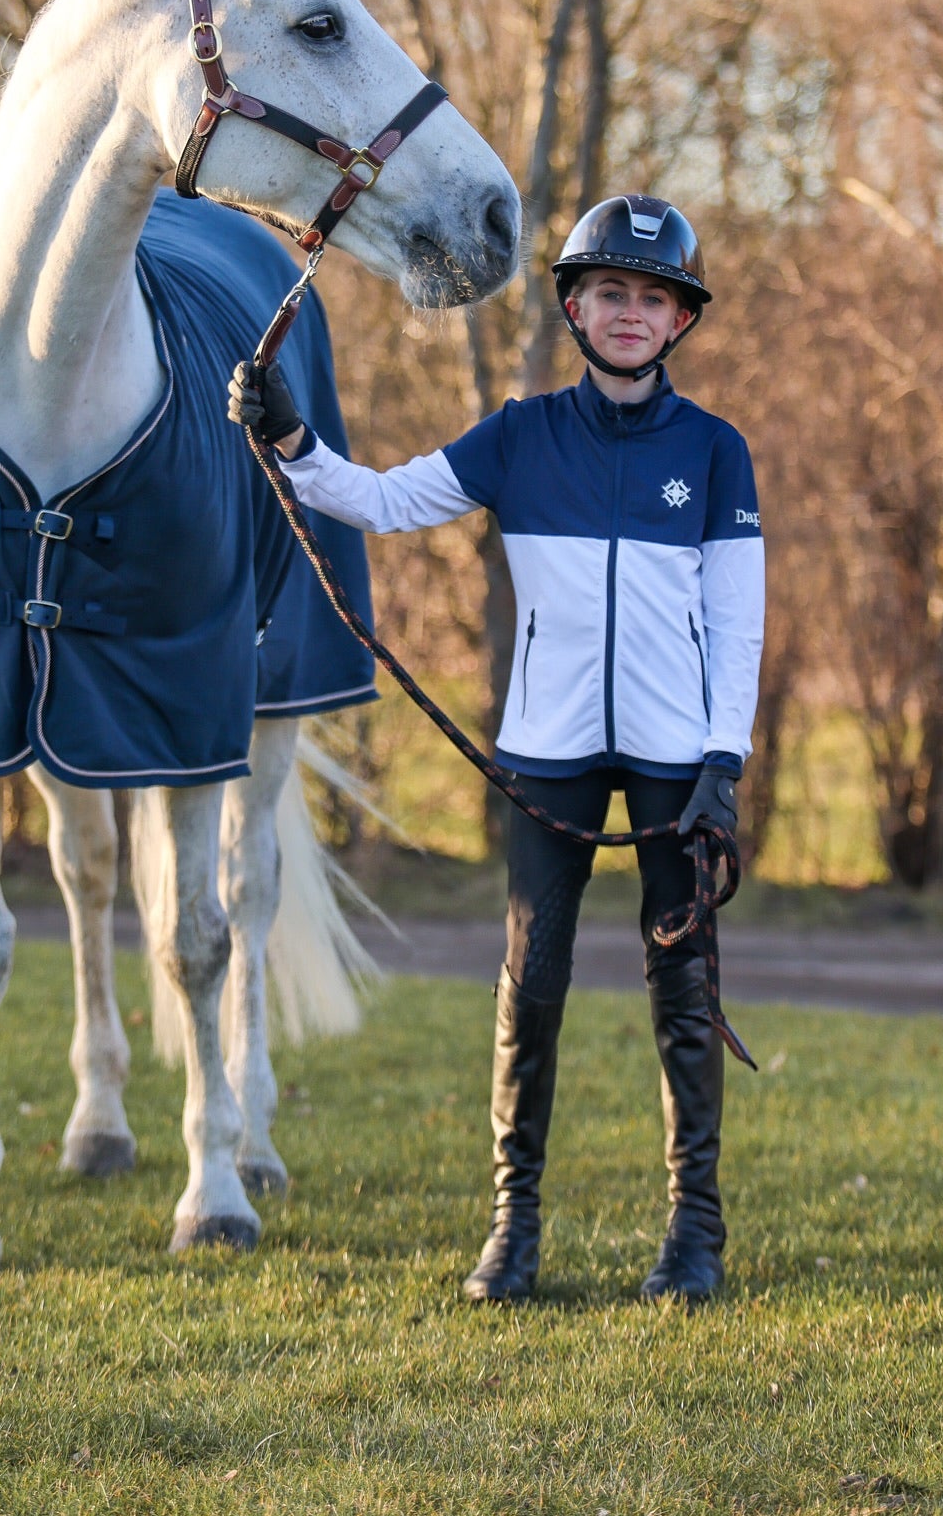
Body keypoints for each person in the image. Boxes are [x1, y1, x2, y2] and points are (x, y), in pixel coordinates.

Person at [227, 194, 764, 1306]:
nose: (629, 312)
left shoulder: (717, 454)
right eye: (609, 290)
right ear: (574, 304)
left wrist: (727, 760)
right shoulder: (520, 436)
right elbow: (375, 502)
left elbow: (740, 615)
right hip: (548, 752)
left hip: (678, 762)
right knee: (534, 985)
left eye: (651, 297)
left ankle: (695, 1234)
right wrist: (289, 436)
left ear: (679, 322)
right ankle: (514, 1228)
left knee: (685, 985)